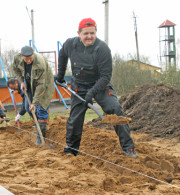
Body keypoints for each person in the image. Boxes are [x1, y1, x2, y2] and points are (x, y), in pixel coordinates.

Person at [55, 18, 138, 158]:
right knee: (75, 119)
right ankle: (72, 149)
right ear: (79, 33)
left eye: (92, 33)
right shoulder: (70, 44)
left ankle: (128, 148)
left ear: (96, 32)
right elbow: (62, 55)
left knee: (115, 110)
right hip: (79, 85)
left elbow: (106, 76)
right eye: (86, 33)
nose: (89, 36)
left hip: (99, 84)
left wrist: (91, 93)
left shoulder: (102, 49)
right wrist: (60, 75)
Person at [12, 46, 55, 145]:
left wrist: (35, 103)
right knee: (28, 107)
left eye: (31, 58)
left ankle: (40, 139)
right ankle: (40, 125)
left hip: (44, 85)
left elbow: (41, 85)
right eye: (26, 59)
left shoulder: (40, 63)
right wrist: (22, 82)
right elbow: (16, 70)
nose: (29, 60)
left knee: (41, 109)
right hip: (30, 84)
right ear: (22, 56)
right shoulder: (17, 58)